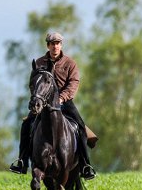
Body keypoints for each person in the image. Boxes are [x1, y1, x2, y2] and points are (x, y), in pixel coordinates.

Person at [9, 32, 97, 180]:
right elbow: (33, 83)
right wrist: (39, 99)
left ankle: (85, 165)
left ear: (61, 45)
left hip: (64, 102)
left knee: (81, 127)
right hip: (42, 103)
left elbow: (73, 84)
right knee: (26, 125)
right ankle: (22, 161)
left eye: (58, 43)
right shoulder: (39, 63)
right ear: (48, 45)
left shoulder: (70, 64)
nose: (55, 46)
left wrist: (62, 98)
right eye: (52, 43)